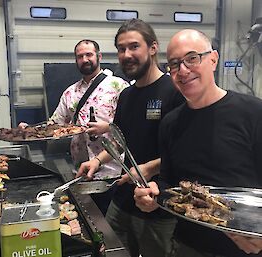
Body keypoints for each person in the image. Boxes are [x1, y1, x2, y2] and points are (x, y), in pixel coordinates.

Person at [134, 28, 262, 257]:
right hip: (187, 246)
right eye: (174, 64)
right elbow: (168, 182)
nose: (183, 70)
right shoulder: (170, 123)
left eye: (192, 58)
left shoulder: (254, 113)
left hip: (246, 249)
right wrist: (154, 196)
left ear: (213, 59)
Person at [77, 19, 184, 257]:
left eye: (134, 46)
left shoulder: (174, 93)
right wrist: (97, 161)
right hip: (124, 196)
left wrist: (149, 168)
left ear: (153, 48)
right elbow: (119, 139)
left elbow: (185, 154)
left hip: (159, 203)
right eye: (121, 49)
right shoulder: (126, 95)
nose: (126, 55)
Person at [20, 39, 129, 214]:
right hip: (82, 171)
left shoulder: (118, 86)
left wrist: (107, 127)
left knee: (112, 223)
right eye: (80, 56)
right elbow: (54, 125)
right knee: (91, 217)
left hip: (113, 171)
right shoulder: (70, 93)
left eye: (89, 54)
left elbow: (130, 124)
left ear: (99, 56)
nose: (85, 59)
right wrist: (29, 130)